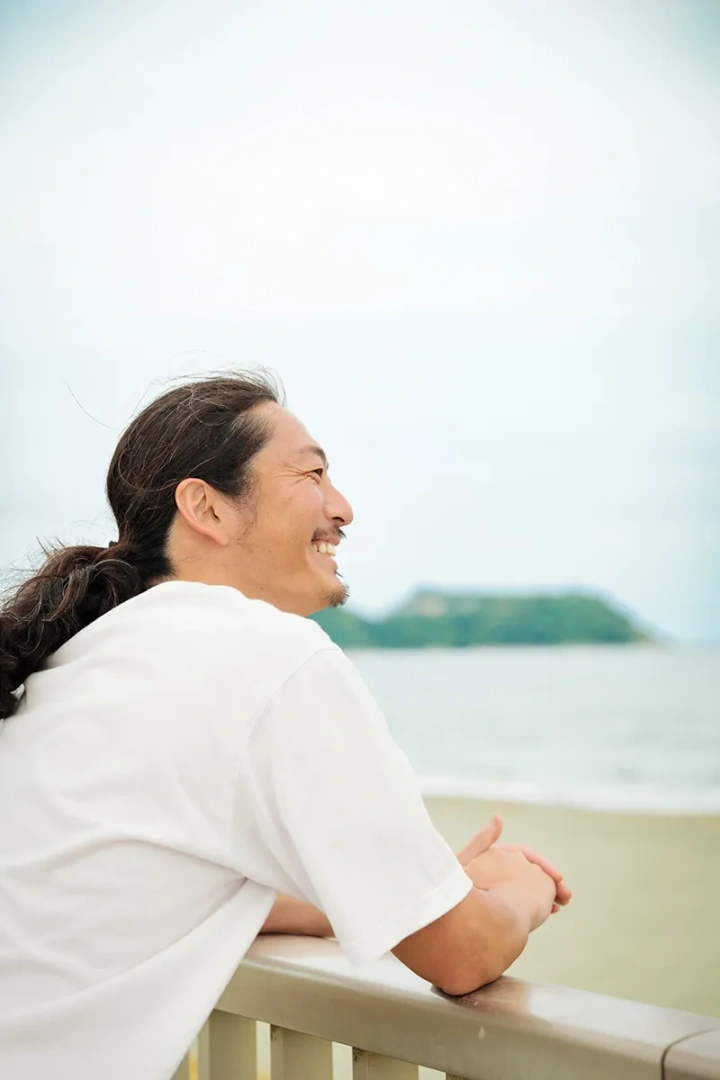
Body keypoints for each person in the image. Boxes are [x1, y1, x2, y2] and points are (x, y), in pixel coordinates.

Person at [0, 372, 571, 1080]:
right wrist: (522, 892)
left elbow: (122, 878)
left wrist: (409, 887)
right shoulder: (272, 656)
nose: (344, 508)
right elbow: (463, 956)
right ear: (205, 507)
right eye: (313, 474)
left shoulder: (80, 660)